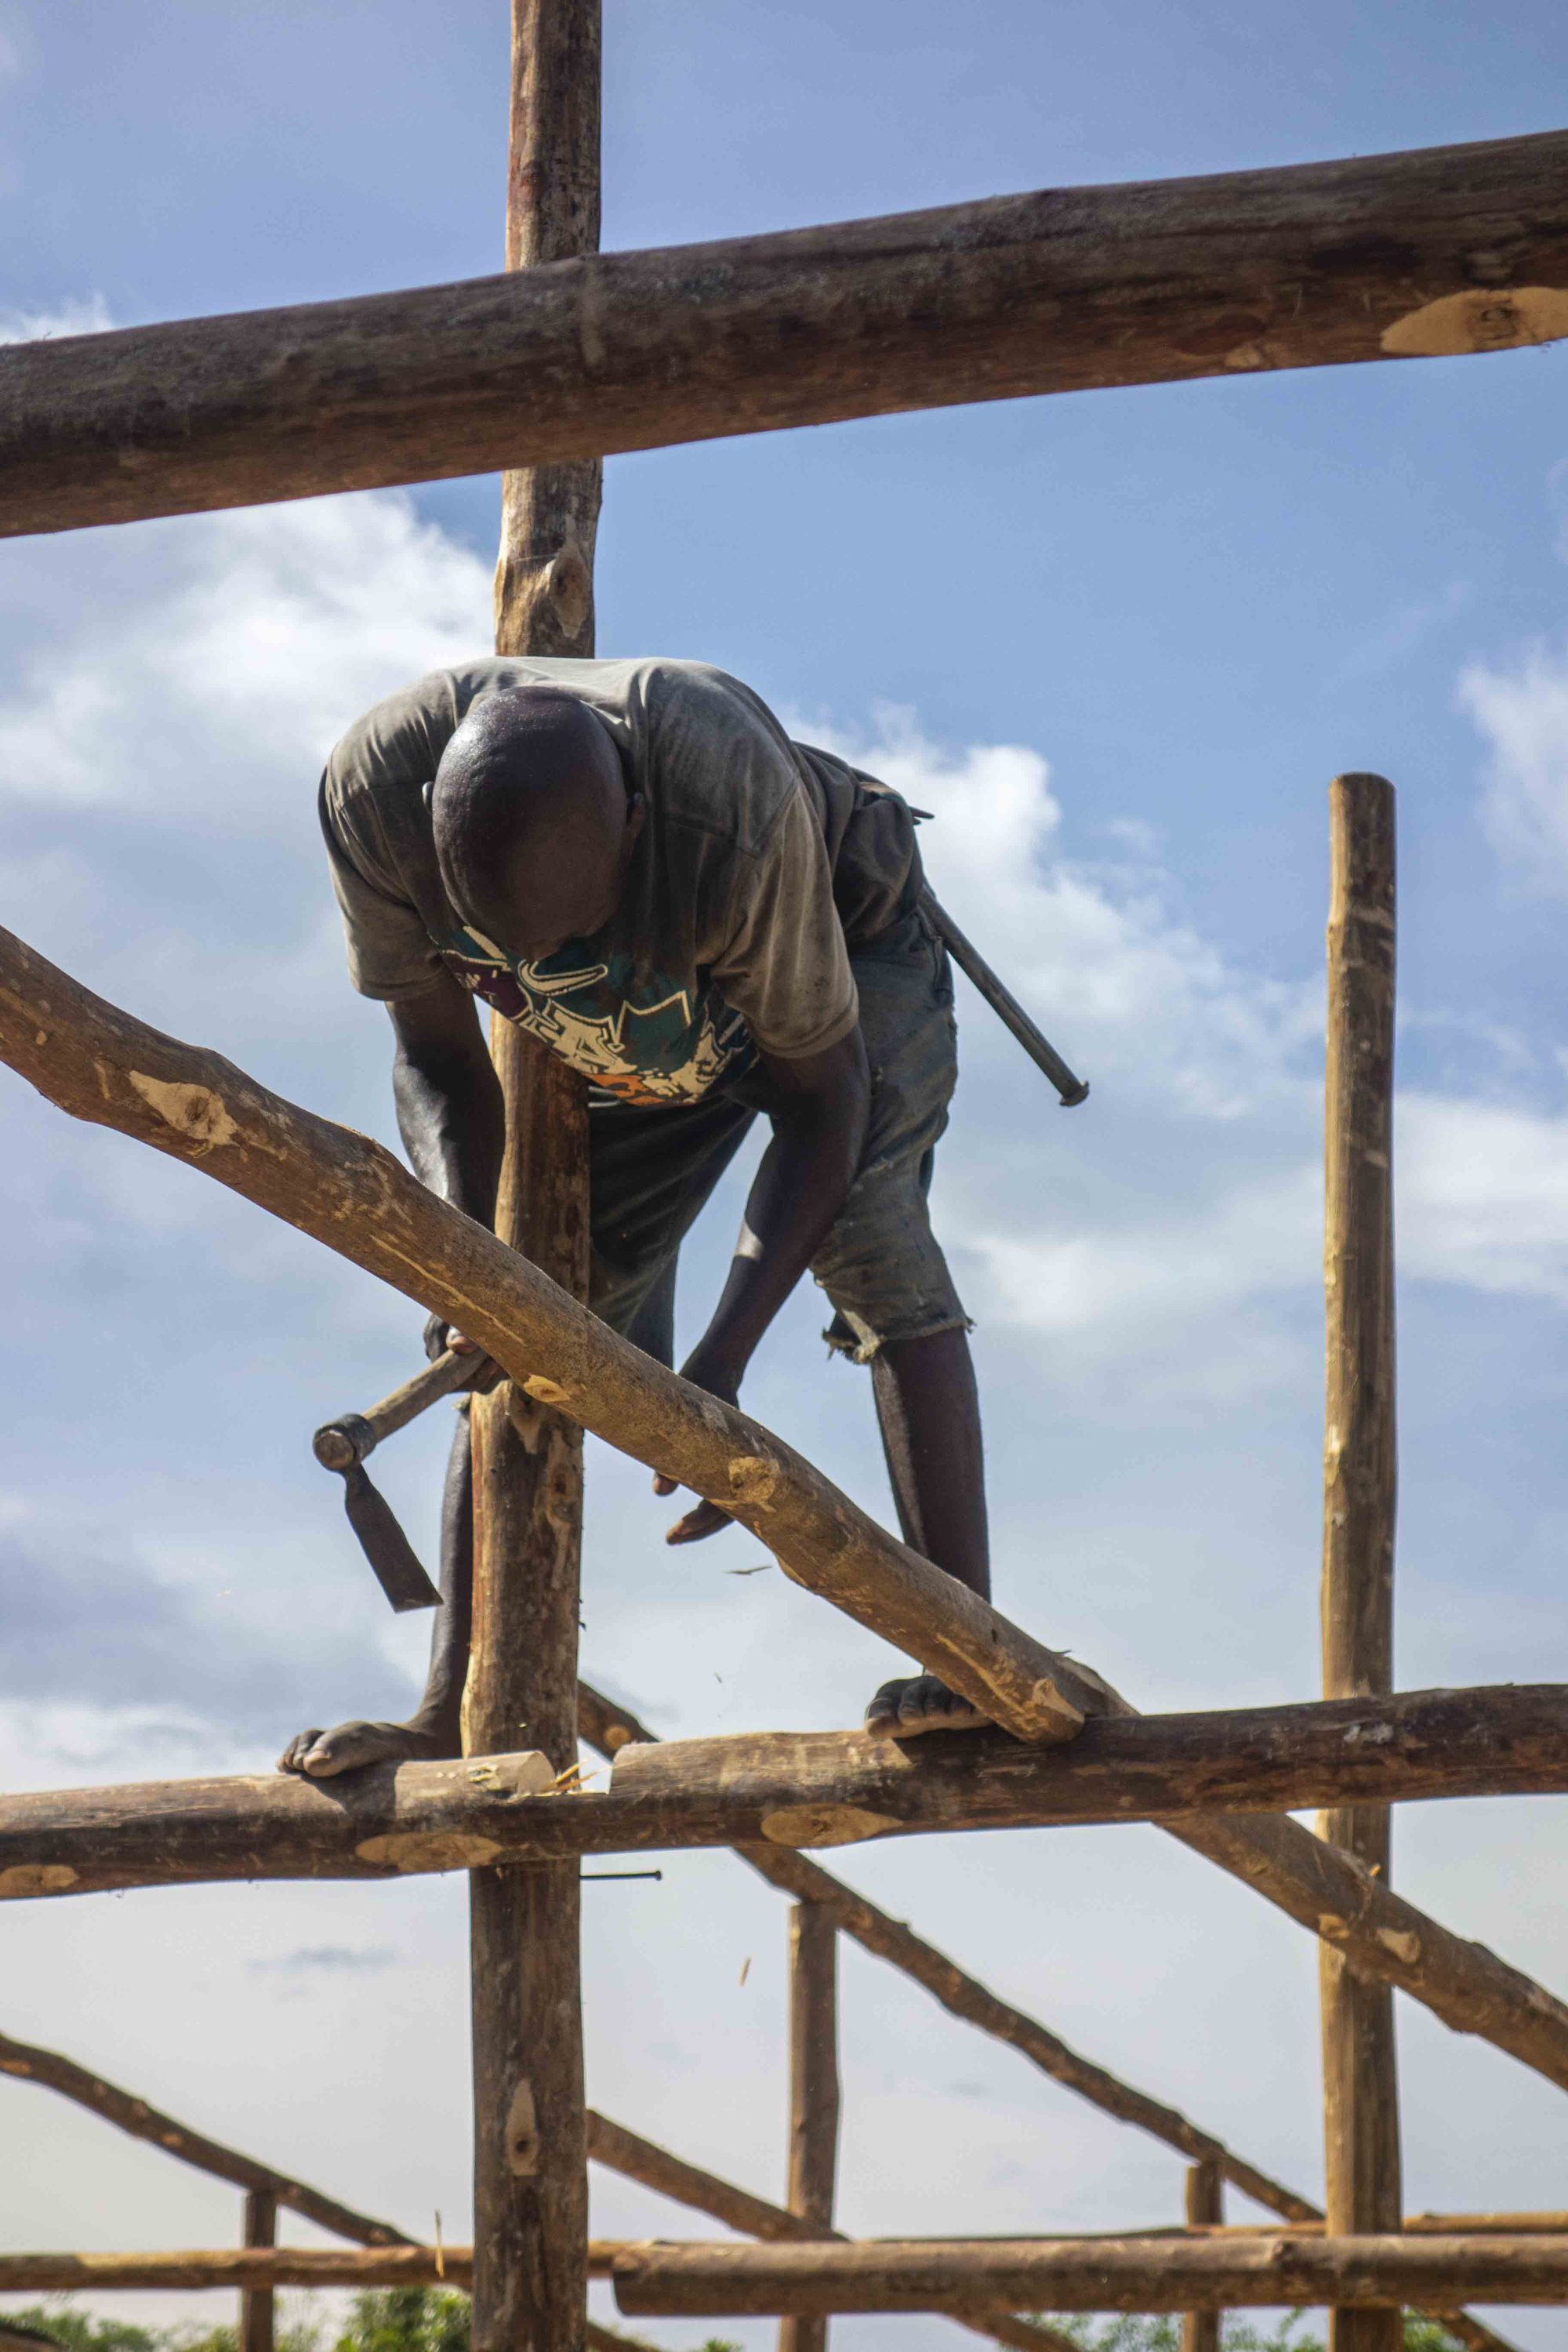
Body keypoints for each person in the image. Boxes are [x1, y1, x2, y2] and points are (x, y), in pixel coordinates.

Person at [278, 655, 992, 1780]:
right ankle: (452, 1701)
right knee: (529, 1312)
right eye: (522, 949)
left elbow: (824, 1107)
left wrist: (716, 1370)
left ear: (640, 829)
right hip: (639, 1041)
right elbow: (436, 1064)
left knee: (871, 1237)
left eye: (577, 935)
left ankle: (970, 1654)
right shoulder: (372, 803)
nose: (550, 966)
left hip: (842, 960)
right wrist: (481, 1279)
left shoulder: (731, 809)